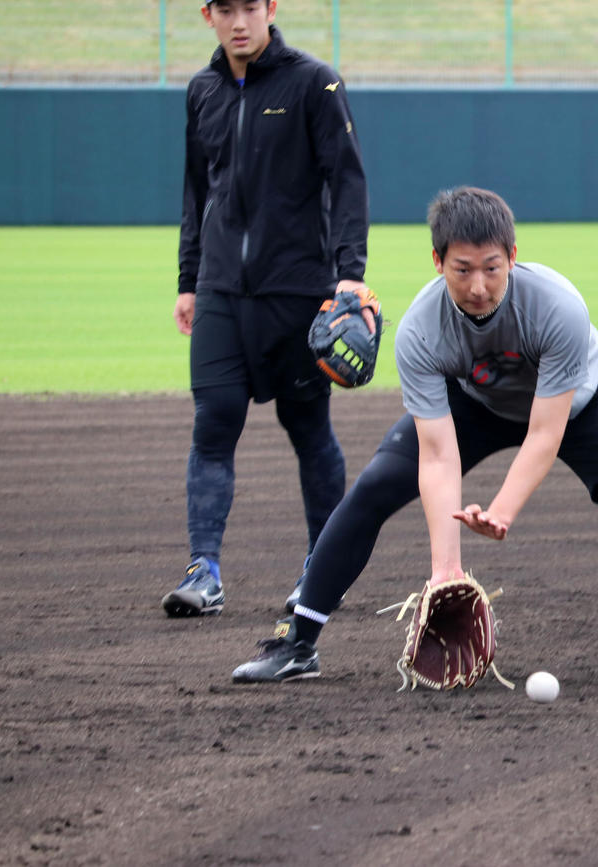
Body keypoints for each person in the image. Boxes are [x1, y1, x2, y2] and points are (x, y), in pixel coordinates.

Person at [232, 186, 598, 682]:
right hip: (477, 403)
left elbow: (545, 434)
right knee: (376, 486)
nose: (478, 286)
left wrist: (501, 510)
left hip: (581, 403)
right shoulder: (421, 332)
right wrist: (445, 568)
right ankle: (297, 643)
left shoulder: (556, 307)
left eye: (492, 268)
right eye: (462, 269)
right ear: (437, 262)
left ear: (514, 258)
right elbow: (437, 456)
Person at [163, 0, 370, 617]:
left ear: (270, 8)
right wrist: (189, 279)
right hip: (223, 289)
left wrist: (349, 277)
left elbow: (347, 180)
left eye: (250, 6)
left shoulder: (314, 81)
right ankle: (204, 571)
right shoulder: (202, 91)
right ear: (208, 16)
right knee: (215, 421)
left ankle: (321, 568)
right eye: (225, 9)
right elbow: (197, 189)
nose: (239, 21)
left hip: (298, 292)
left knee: (307, 429)